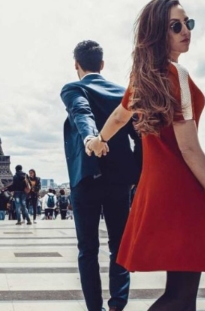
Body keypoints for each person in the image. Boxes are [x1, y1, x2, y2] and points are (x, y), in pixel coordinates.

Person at [88, 0, 205, 310]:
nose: (186, 30)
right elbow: (189, 148)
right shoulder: (178, 75)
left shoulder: (142, 79)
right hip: (183, 189)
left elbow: (120, 117)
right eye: (176, 26)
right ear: (159, 34)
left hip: (154, 189)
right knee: (182, 296)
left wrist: (97, 140)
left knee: (180, 295)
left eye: (189, 23)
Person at [60, 40, 141, 311]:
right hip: (119, 180)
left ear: (76, 65)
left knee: (87, 250)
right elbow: (140, 137)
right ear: (102, 65)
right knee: (120, 246)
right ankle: (118, 305)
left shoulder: (74, 88)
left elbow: (81, 112)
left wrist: (90, 139)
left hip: (86, 179)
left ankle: (94, 308)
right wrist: (137, 173)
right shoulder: (122, 93)